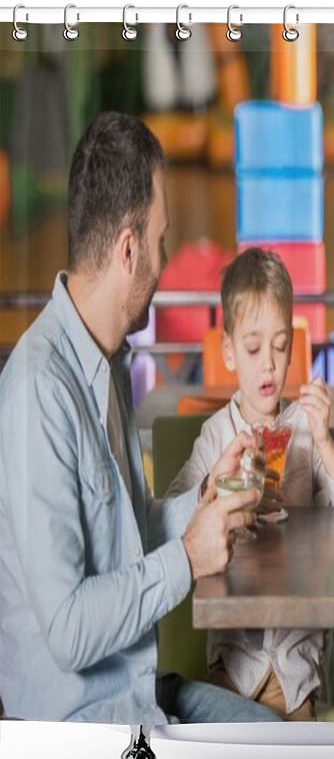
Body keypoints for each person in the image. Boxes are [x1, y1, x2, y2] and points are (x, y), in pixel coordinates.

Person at [0, 111, 283, 724]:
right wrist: (187, 556)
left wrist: (207, 500)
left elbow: (130, 537)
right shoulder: (38, 390)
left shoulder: (107, 361)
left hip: (139, 697)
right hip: (80, 732)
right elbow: (69, 631)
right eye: (160, 242)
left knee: (281, 742)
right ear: (129, 250)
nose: (164, 260)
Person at [165, 247, 334, 721]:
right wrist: (216, 490)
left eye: (280, 346)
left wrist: (325, 444)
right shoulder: (216, 436)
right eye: (253, 349)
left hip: (296, 673)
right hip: (232, 667)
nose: (269, 365)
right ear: (229, 350)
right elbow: (172, 512)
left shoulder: (304, 430)